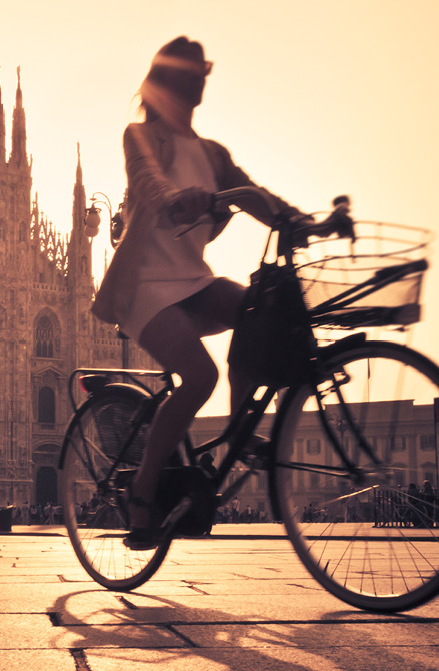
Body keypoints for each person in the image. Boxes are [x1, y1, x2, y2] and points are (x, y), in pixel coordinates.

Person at [91, 36, 309, 549]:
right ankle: (144, 492)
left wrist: (299, 219)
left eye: (204, 69)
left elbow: (257, 196)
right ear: (169, 81)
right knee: (200, 375)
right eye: (192, 71)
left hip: (192, 279)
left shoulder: (213, 153)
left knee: (260, 311)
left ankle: (235, 431)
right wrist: (174, 198)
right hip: (145, 286)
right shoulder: (141, 135)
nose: (201, 78)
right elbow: (146, 181)